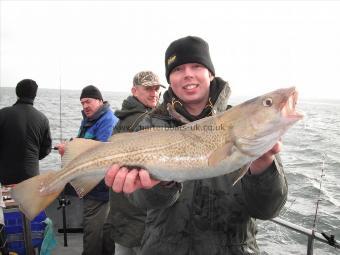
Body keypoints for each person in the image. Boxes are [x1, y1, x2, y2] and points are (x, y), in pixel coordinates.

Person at [104, 36, 288, 255]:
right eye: (178, 69)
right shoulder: (150, 124)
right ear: (170, 79)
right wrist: (161, 185)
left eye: (197, 66)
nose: (188, 74)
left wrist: (263, 169)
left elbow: (267, 209)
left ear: (210, 73)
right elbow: (142, 202)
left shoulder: (244, 123)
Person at [103, 71, 164, 255]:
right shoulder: (147, 122)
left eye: (156, 89)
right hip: (141, 216)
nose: (154, 93)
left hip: (121, 212)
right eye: (148, 89)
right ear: (134, 90)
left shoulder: (122, 118)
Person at [56, 85, 119, 255]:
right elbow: (83, 142)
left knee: (92, 233)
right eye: (82, 103)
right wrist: (71, 145)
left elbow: (100, 154)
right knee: (103, 232)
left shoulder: (108, 121)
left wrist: (68, 151)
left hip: (99, 189)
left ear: (99, 100)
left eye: (88, 101)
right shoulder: (89, 120)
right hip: (93, 186)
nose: (84, 106)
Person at [0, 79, 52, 185]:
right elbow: (46, 149)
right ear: (34, 95)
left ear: (17, 93)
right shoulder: (43, 119)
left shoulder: (3, 114)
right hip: (31, 177)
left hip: (5, 176)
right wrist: (31, 156)